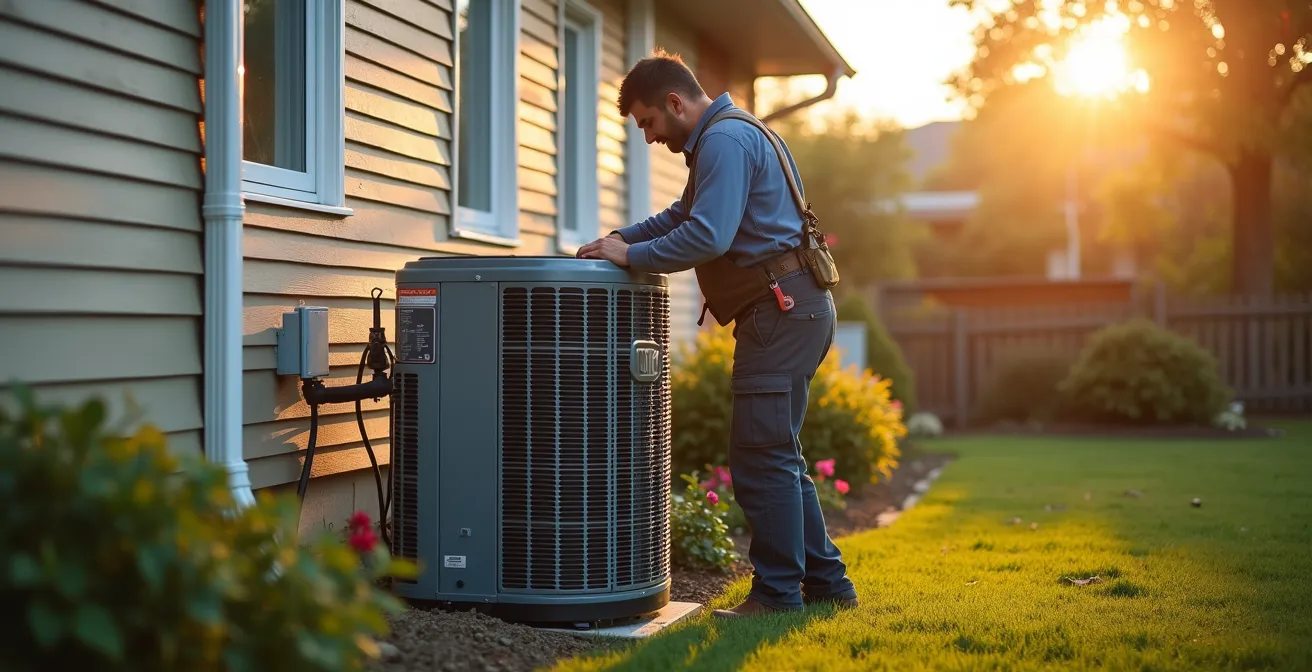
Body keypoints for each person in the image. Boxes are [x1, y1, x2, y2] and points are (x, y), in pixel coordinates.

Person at [576, 50, 858, 618]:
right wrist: (615, 238)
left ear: (675, 103)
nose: (649, 137)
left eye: (648, 123)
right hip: (793, 307)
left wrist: (629, 255)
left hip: (780, 311)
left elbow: (707, 235)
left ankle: (778, 597)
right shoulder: (731, 136)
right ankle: (828, 586)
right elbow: (682, 217)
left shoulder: (725, 142)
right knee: (777, 453)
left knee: (760, 456)